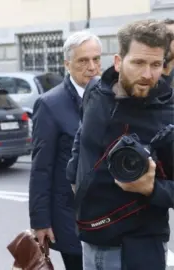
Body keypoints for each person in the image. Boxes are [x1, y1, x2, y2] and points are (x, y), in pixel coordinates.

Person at [67, 19, 174, 270]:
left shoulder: (169, 114)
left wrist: (152, 189)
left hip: (139, 249)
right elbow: (81, 136)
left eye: (156, 64)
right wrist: (73, 172)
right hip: (90, 241)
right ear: (118, 61)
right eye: (138, 63)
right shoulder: (95, 92)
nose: (148, 74)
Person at [29, 30, 102, 270]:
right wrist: (40, 221)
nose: (91, 67)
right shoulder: (50, 104)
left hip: (110, 214)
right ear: (67, 64)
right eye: (83, 61)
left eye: (96, 59)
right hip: (70, 217)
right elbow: (41, 168)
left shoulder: (110, 96)